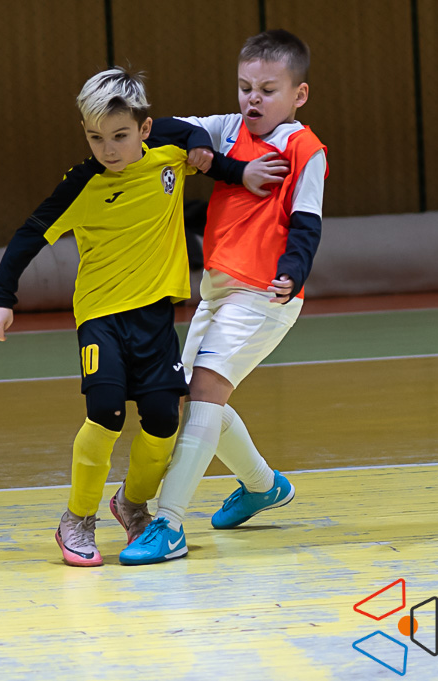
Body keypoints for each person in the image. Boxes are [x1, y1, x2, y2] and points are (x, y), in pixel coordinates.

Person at [0, 67, 249, 567]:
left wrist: (213, 154)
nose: (108, 149)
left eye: (120, 136)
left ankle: (132, 504)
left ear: (143, 130)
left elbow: (186, 133)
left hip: (155, 318)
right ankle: (77, 518)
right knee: (105, 413)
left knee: (164, 420)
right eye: (96, 137)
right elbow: (29, 234)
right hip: (101, 317)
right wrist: (2, 297)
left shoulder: (168, 154)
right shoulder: (82, 183)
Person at [119, 29, 329, 565]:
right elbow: (160, 127)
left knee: (206, 390)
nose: (253, 99)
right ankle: (263, 486)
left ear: (299, 95)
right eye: (244, 87)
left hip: (264, 295)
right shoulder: (227, 129)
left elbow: (307, 224)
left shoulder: (304, 149)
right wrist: (216, 157)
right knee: (191, 396)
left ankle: (169, 523)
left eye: (267, 90)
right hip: (216, 288)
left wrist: (292, 271)